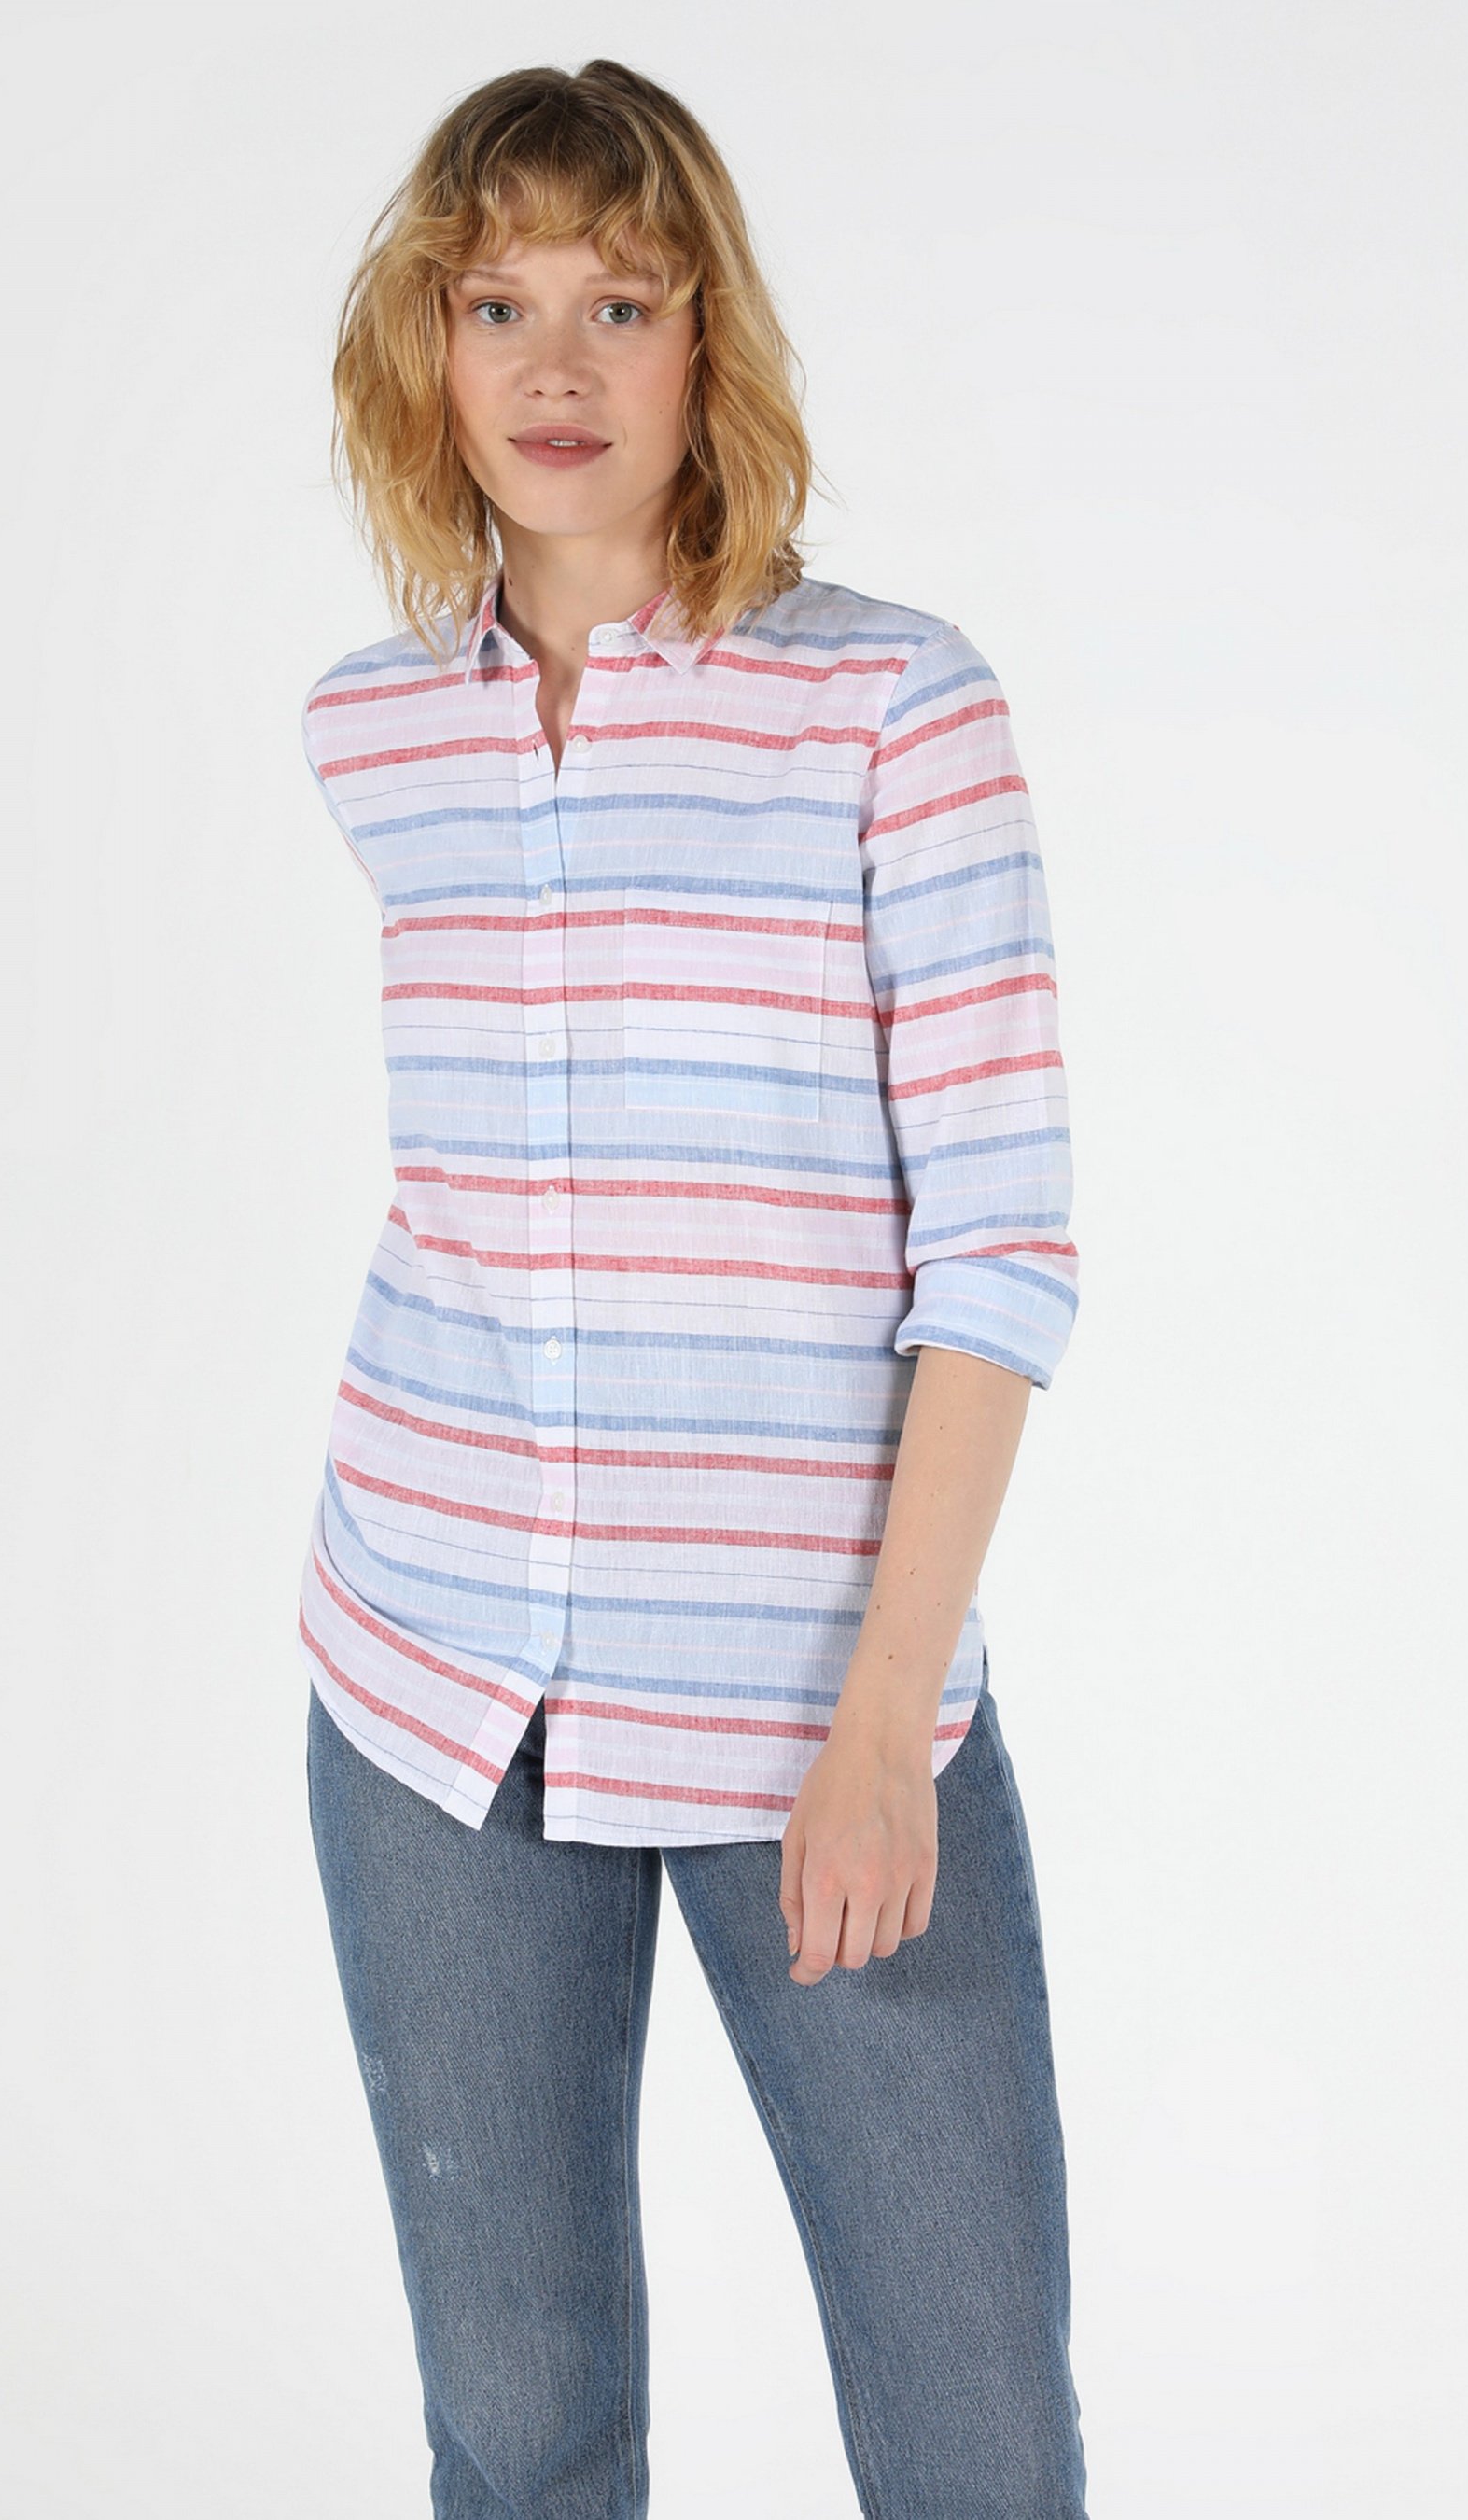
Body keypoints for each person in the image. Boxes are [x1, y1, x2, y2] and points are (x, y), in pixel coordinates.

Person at [294, 57, 1089, 2520]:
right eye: (498, 304)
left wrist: (885, 1720)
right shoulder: (375, 735)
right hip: (435, 1681)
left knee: (973, 2447)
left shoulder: (891, 707)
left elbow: (999, 1251)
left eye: (619, 305)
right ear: (427, 353)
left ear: (703, 344)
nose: (555, 366)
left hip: (811, 1704)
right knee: (521, 2442)